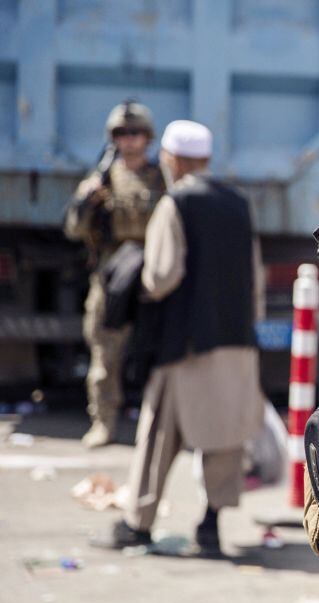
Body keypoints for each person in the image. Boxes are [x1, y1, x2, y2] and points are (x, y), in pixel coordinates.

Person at [94, 120, 263, 555]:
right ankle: (210, 527)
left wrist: (138, 286)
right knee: (224, 438)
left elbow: (163, 275)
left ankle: (139, 522)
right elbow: (254, 281)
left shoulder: (177, 203)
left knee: (159, 433)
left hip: (186, 344)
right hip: (235, 340)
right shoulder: (238, 204)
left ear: (174, 159)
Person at [64, 101, 165, 448]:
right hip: (113, 275)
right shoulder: (100, 180)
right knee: (105, 353)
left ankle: (159, 426)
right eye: (121, 134)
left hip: (152, 273)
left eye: (135, 133)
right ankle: (104, 422)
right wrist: (86, 201)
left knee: (159, 354)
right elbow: (74, 230)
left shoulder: (162, 178)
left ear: (147, 137)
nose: (129, 140)